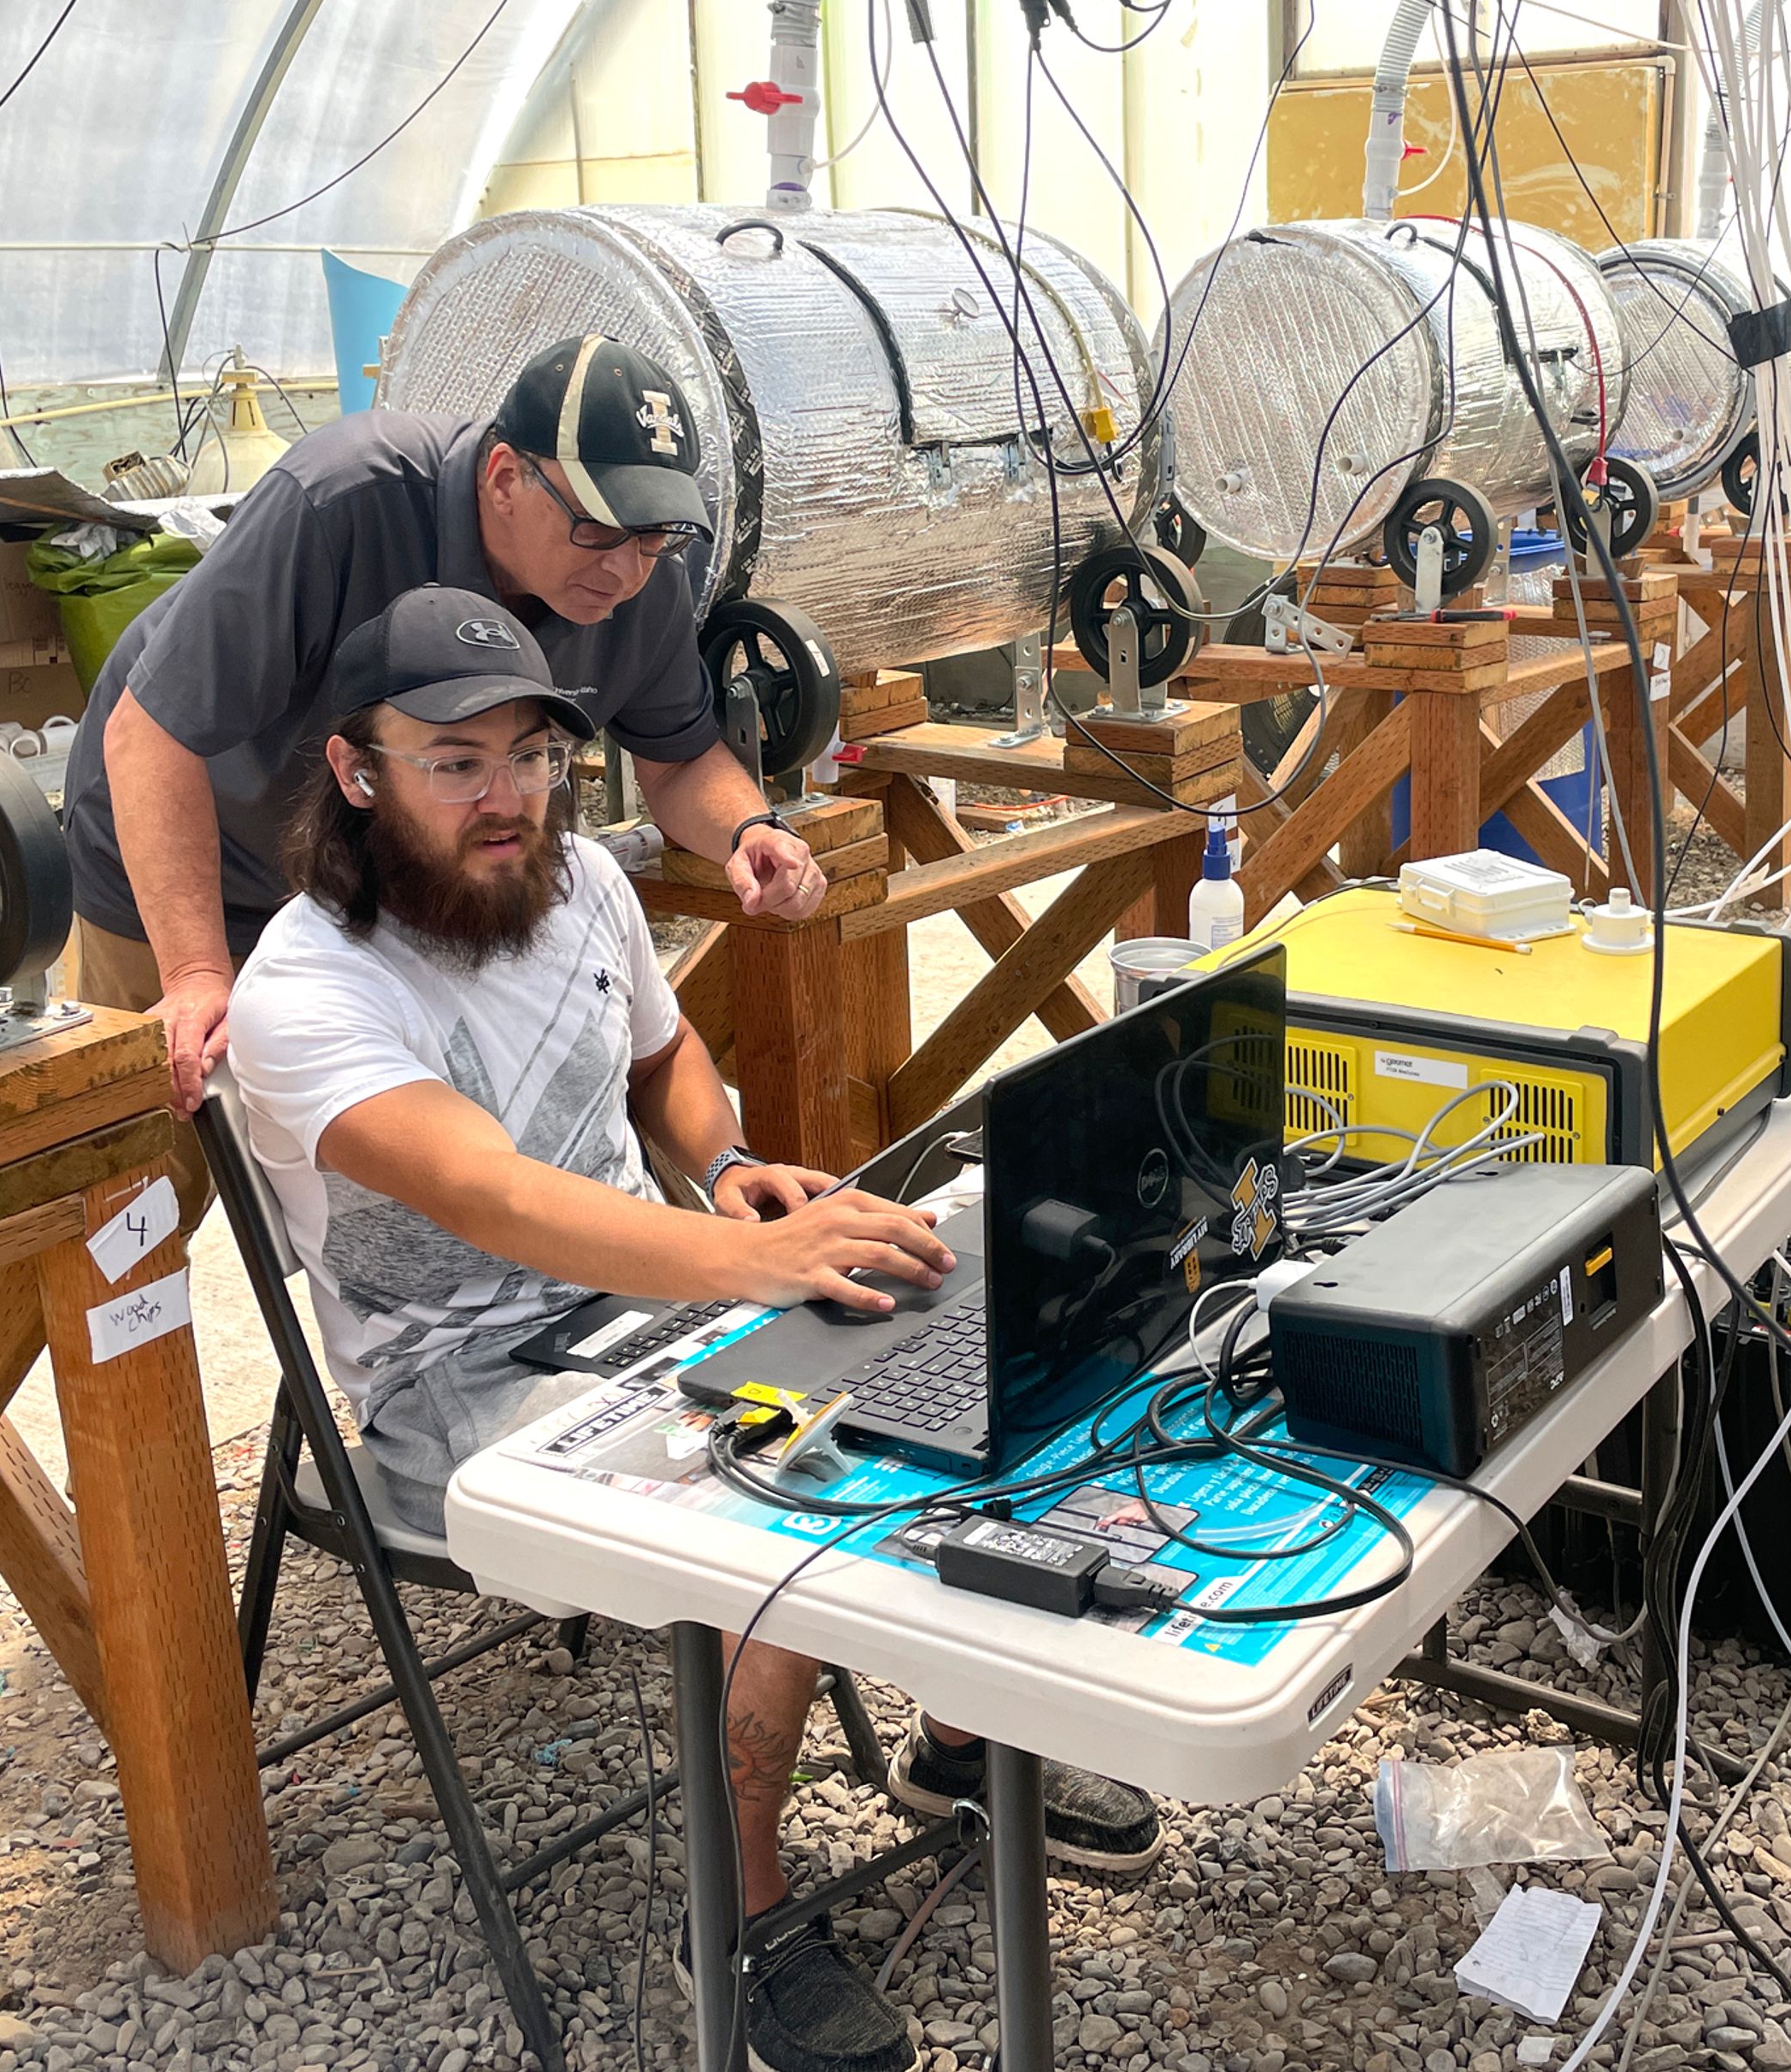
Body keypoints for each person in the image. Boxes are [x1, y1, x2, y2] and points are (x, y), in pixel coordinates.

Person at [221, 587, 1159, 2072]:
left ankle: (963, 1737)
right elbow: (497, 1199)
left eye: (532, 757)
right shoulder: (304, 988)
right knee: (772, 1489)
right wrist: (745, 1258)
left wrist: (724, 1165)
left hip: (649, 1293)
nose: (508, 797)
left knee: (964, 1317)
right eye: (455, 763)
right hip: (461, 1392)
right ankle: (740, 1904)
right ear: (355, 772)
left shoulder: (581, 880)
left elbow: (663, 1060)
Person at [66, 334, 828, 1122]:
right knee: (153, 1166)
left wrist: (748, 829)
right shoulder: (341, 498)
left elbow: (676, 759)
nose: (626, 569)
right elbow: (149, 735)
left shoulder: (641, 581)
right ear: (504, 478)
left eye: (654, 533)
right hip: (200, 871)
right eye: (598, 527)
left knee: (404, 1162)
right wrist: (192, 971)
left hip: (403, 890)